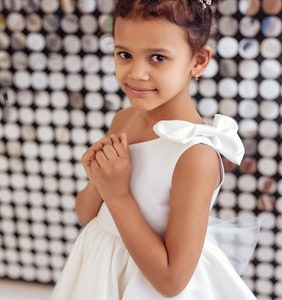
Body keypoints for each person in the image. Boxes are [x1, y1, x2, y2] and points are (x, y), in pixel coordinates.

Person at [50, 0, 260, 299]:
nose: (136, 73)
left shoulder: (195, 154)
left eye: (158, 58)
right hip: (101, 271)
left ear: (198, 61)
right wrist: (99, 178)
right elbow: (87, 215)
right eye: (125, 54)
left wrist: (118, 194)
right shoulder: (123, 119)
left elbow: (171, 282)